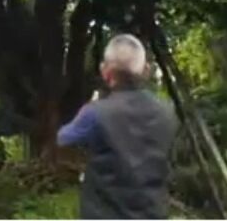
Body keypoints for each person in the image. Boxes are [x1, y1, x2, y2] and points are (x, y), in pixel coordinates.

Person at [58, 34, 179, 219]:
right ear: (146, 70)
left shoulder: (94, 113)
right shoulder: (167, 111)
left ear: (105, 72)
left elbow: (62, 139)